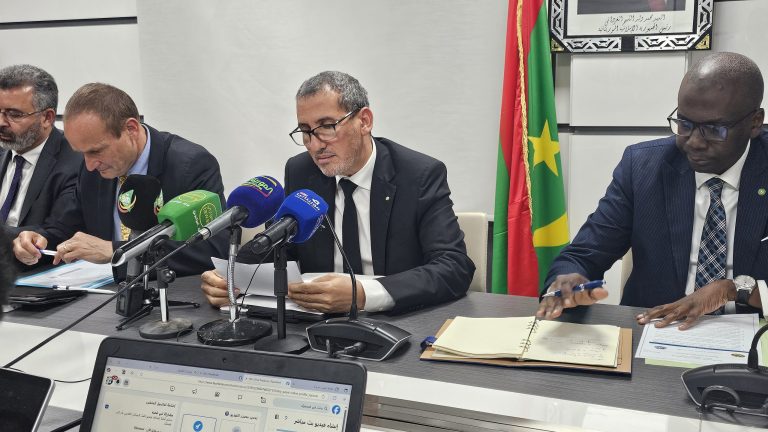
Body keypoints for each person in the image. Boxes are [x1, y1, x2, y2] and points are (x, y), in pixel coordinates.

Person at [201, 71, 474, 314]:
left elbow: (453, 266)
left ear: (364, 121)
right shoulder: (301, 171)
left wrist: (363, 295)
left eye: (327, 127)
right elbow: (277, 246)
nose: (315, 145)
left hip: (400, 320)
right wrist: (230, 276)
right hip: (315, 322)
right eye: (305, 131)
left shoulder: (418, 175)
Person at [537, 52, 764, 329]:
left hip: (752, 335)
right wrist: (568, 281)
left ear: (755, 122)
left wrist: (733, 289)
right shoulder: (643, 167)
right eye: (685, 124)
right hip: (654, 330)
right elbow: (584, 254)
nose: (693, 142)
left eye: (714, 129)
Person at [11, 83, 228, 277]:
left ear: (131, 129)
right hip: (104, 292)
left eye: (96, 151)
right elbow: (67, 228)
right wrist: (39, 241)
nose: (89, 165)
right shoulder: (91, 168)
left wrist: (118, 250)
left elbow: (213, 249)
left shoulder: (190, 165)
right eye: (82, 153)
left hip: (171, 295)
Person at [0, 65, 82, 242]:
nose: (1, 122)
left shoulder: (77, 161)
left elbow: (58, 232)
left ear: (47, 118)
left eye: (14, 114)